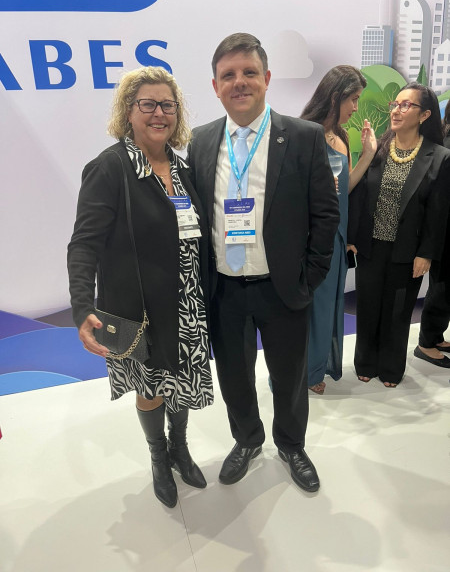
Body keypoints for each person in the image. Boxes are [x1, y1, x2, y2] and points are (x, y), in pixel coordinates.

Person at [188, 33, 340, 492]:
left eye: (249, 72)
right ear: (215, 86)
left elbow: (325, 214)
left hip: (283, 286)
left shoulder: (304, 137)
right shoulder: (199, 141)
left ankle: (291, 445)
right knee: (233, 375)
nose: (239, 82)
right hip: (224, 289)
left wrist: (310, 277)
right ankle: (247, 439)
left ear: (267, 78)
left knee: (289, 376)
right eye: (228, 75)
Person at [67, 66, 213, 509]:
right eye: (147, 104)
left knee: (181, 380)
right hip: (142, 307)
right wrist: (81, 306)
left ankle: (180, 448)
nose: (158, 113)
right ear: (128, 112)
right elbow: (84, 243)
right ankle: (158, 457)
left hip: (188, 303)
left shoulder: (184, 168)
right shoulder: (110, 168)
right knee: (151, 387)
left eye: (167, 105)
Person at [348, 82, 450, 387]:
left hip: (408, 250)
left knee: (398, 311)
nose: (397, 110)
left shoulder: (439, 157)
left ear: (424, 115)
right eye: (396, 104)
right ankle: (365, 362)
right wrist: (353, 236)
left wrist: (426, 253)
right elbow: (359, 196)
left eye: (407, 105)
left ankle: (391, 368)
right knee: (368, 306)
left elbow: (438, 212)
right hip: (371, 245)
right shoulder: (377, 149)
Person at [300, 66, 377, 394]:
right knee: (310, 306)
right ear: (335, 97)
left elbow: (343, 190)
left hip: (337, 237)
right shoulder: (306, 134)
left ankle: (318, 366)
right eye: (353, 99)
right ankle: (301, 371)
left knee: (329, 304)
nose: (356, 108)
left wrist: (368, 154)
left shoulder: (343, 138)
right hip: (310, 239)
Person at [414, 99, 450, 368]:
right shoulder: (446, 145)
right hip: (445, 229)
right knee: (443, 286)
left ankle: (434, 336)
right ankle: (426, 342)